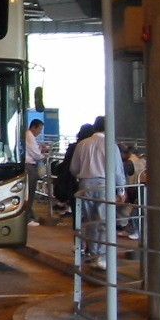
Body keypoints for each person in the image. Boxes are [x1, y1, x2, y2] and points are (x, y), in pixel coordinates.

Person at [70, 116, 126, 270]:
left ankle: (92, 254)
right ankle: (101, 258)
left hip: (84, 184)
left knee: (89, 222)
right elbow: (117, 170)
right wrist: (121, 189)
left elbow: (74, 168)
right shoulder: (110, 145)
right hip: (103, 185)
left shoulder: (82, 144)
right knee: (104, 221)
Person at [53, 123, 94, 216]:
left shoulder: (74, 146)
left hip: (71, 176)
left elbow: (68, 162)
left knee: (75, 198)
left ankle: (75, 218)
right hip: (86, 176)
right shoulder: (89, 146)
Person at [22, 118, 48, 227]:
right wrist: (43, 156)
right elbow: (35, 154)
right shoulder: (29, 136)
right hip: (29, 166)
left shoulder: (28, 135)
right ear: (34, 127)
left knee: (29, 192)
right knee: (29, 192)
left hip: (29, 165)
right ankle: (27, 218)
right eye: (40, 129)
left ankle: (29, 215)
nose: (40, 132)